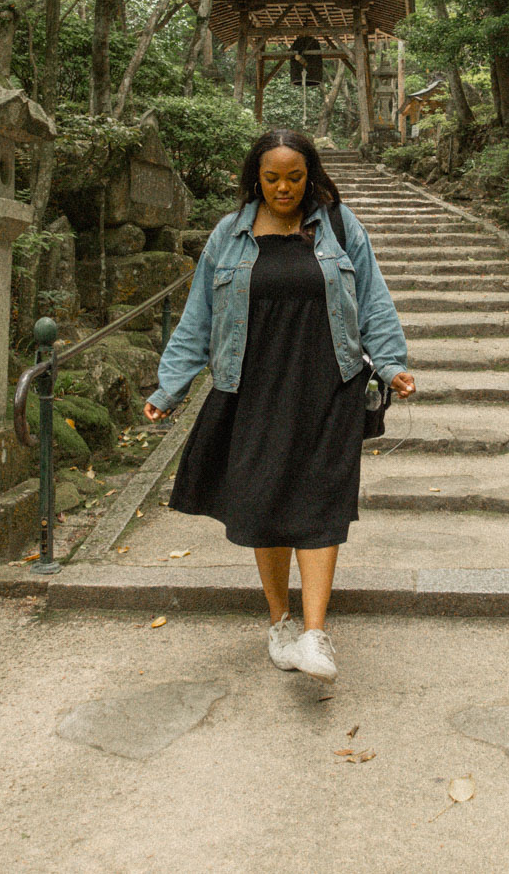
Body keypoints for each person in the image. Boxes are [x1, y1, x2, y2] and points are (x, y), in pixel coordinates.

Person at [144, 128, 416, 684]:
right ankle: (281, 623)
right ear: (255, 179)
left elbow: (372, 299)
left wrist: (390, 364)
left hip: (327, 383)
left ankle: (317, 634)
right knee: (263, 498)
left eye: (295, 177)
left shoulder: (339, 226)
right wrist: (168, 389)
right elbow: (198, 317)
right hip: (251, 385)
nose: (284, 188)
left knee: (322, 499)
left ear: (310, 175)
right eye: (272, 178)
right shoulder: (229, 235)